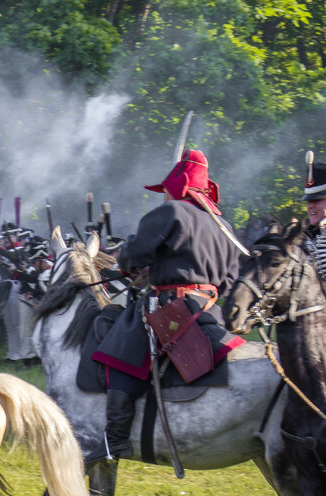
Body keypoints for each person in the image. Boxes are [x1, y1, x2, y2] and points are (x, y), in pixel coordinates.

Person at [86, 149, 246, 463]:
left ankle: (113, 441)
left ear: (177, 187)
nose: (163, 198)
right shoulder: (223, 224)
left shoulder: (170, 212)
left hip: (170, 308)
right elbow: (229, 280)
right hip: (209, 310)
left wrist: (134, 264)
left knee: (121, 354)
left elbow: (132, 256)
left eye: (165, 193)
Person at [301, 154, 326, 302]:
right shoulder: (311, 234)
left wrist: (318, 291)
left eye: (317, 200)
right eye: (309, 201)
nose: (310, 206)